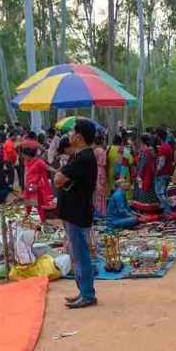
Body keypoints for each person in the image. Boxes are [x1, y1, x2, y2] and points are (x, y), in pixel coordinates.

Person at [57, 120, 99, 309]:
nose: (69, 135)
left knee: (81, 255)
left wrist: (59, 177)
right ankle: (83, 291)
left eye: (72, 132)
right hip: (74, 211)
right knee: (77, 255)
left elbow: (59, 179)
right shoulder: (80, 156)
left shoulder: (83, 158)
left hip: (77, 212)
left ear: (79, 137)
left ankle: (88, 294)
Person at [22, 147, 54, 223]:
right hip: (28, 186)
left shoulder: (38, 161)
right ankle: (28, 219)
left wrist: (57, 171)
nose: (23, 156)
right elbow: (26, 172)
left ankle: (42, 221)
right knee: (28, 204)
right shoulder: (27, 161)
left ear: (27, 155)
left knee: (38, 205)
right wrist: (25, 184)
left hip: (36, 187)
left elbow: (47, 167)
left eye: (24, 154)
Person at [133, 134, 160, 208]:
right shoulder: (152, 150)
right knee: (151, 189)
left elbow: (142, 164)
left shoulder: (143, 151)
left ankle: (144, 207)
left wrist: (139, 175)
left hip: (145, 175)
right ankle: (152, 206)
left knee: (143, 190)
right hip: (152, 173)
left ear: (142, 141)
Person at [154, 129, 174, 214]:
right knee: (164, 192)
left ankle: (167, 209)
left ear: (159, 137)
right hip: (167, 172)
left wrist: (157, 171)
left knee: (159, 193)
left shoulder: (162, 148)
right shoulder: (168, 147)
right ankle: (166, 209)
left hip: (162, 173)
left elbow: (161, 162)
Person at [92, 135, 108, 216]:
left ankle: (97, 211)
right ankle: (102, 211)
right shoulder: (103, 150)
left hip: (96, 171)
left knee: (97, 192)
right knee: (102, 191)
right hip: (103, 172)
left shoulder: (95, 151)